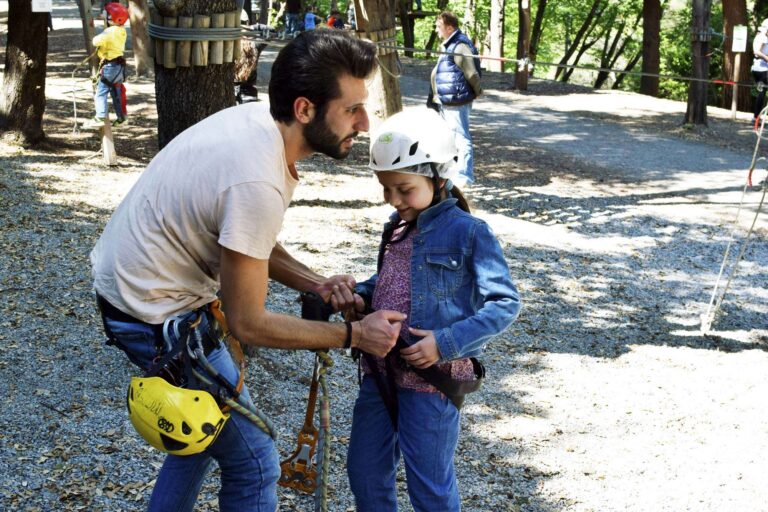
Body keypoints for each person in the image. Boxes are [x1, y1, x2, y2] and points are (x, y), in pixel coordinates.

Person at [90, 30, 405, 512]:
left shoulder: (262, 122)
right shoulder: (257, 177)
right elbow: (249, 323)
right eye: (351, 109)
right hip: (151, 310)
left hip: (136, 287)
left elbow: (243, 239)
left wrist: (314, 282)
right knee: (255, 459)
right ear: (304, 109)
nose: (363, 123)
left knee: (203, 428)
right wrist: (354, 335)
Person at [346, 108, 521, 511]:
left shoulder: (469, 232)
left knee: (429, 488)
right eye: (386, 189)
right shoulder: (397, 226)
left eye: (403, 189)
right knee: (365, 473)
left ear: (438, 177)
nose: (393, 200)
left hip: (432, 381)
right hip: (380, 372)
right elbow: (389, 283)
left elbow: (505, 302)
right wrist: (361, 296)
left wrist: (446, 342)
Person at [431, 11, 482, 186]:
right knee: (449, 137)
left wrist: (478, 90)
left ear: (449, 27)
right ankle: (450, 172)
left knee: (461, 137)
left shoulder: (460, 46)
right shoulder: (448, 45)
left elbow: (472, 73)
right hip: (447, 100)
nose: (437, 30)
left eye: (439, 27)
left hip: (457, 100)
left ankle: (465, 176)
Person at [84, 2, 128, 129]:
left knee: (101, 92)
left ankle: (100, 116)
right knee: (116, 92)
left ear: (112, 18)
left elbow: (95, 41)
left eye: (107, 14)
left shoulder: (109, 31)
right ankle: (122, 118)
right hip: (119, 67)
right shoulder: (121, 31)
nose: (104, 15)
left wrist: (101, 32)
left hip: (110, 67)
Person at [753, 18, 768, 125]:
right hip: (763, 69)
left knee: (761, 93)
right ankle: (756, 117)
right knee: (761, 93)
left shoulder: (758, 36)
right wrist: (767, 58)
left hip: (757, 68)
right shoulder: (763, 37)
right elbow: (757, 51)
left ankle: (756, 117)